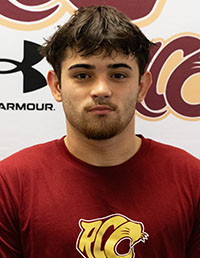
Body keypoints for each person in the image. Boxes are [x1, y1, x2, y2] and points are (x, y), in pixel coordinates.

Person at [0, 5, 199, 258]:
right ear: (56, 85)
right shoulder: (9, 184)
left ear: (142, 86)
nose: (101, 90)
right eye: (83, 75)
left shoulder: (193, 181)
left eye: (118, 75)